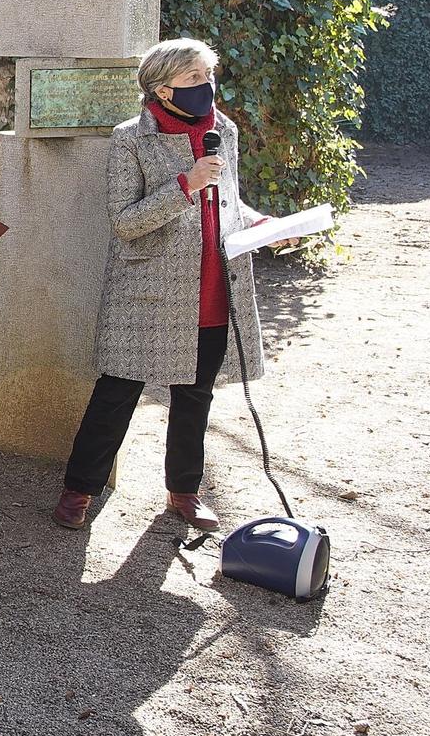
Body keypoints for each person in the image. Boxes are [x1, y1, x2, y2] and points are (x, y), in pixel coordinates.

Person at [54, 38, 274, 533]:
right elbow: (125, 221)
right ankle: (78, 490)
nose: (206, 86)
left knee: (196, 396)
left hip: (215, 286)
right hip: (147, 290)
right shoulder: (131, 137)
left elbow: (229, 203)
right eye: (193, 78)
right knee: (117, 391)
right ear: (161, 88)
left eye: (208, 74)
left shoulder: (226, 130)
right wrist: (185, 185)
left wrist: (258, 222)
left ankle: (185, 492)